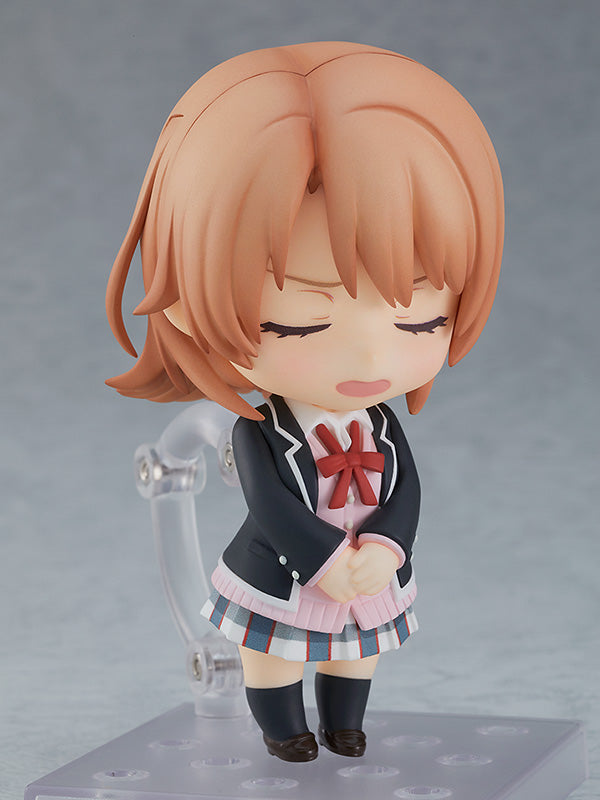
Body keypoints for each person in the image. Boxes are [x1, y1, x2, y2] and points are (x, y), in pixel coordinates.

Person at [106, 41, 504, 762]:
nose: (370, 359)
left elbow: (407, 489)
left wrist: (386, 546)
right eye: (297, 325)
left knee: (359, 652)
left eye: (419, 322)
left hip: (370, 564)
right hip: (284, 571)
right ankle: (283, 729)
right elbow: (272, 505)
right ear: (190, 305)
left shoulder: (380, 422)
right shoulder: (259, 431)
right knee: (273, 654)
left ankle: (346, 723)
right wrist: (325, 560)